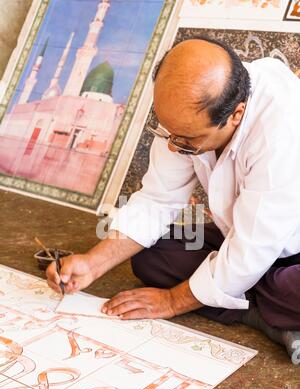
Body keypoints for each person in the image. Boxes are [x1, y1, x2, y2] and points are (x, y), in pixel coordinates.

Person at [46, 37, 300, 364]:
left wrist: (171, 301)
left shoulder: (282, 129)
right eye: (168, 131)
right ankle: (266, 312)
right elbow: (156, 200)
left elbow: (254, 249)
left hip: (289, 247)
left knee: (287, 286)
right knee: (150, 259)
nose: (172, 146)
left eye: (187, 139)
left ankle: (254, 305)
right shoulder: (188, 115)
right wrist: (92, 263)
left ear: (236, 115)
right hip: (243, 233)